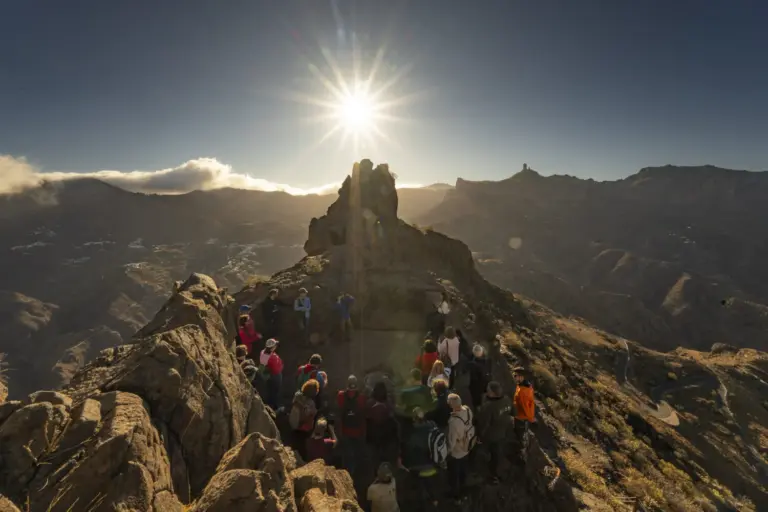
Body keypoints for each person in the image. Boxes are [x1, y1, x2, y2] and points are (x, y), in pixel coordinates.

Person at [402, 407, 442, 510]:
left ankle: (422, 506)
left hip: (418, 467)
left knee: (420, 487)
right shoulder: (433, 426)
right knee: (431, 484)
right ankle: (435, 501)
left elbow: (408, 452)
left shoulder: (412, 433)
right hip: (433, 463)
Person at [476, 381, 513, 484]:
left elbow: (484, 423)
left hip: (491, 435)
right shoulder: (507, 400)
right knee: (497, 452)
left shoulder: (490, 407)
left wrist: (479, 436)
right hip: (502, 432)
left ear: (492, 392)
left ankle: (491, 474)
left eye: (488, 390)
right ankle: (497, 471)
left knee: (490, 453)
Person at [337, 375, 367, 480]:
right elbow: (363, 414)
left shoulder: (341, 395)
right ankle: (358, 477)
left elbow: (339, 413)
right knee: (358, 454)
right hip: (358, 431)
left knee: (347, 456)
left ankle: (347, 477)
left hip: (345, 431)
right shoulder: (362, 397)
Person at [446, 394, 474, 504]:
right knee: (463, 472)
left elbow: (452, 441)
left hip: (457, 452)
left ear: (451, 405)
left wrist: (447, 452)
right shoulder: (467, 410)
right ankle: (464, 493)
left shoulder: (453, 421)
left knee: (454, 475)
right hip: (467, 446)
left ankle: (456, 496)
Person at [367, 381, 400, 472]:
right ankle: (387, 474)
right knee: (386, 459)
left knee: (375, 458)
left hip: (373, 435)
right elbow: (393, 417)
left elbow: (367, 418)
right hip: (387, 435)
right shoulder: (388, 403)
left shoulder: (370, 403)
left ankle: (376, 474)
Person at [289, 379, 320, 460]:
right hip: (302, 428)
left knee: (295, 445)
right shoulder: (310, 403)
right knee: (302, 448)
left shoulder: (297, 396)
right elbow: (308, 414)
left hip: (293, 424)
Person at [259, 338, 284, 410]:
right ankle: (273, 407)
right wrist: (267, 376)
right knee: (274, 391)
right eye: (275, 345)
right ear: (272, 347)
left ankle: (273, 405)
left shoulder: (266, 352)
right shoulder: (265, 356)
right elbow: (261, 369)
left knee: (274, 391)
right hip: (274, 376)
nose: (276, 346)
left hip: (275, 375)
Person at [513, 367, 536, 440]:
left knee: (519, 438)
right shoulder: (524, 386)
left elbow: (525, 406)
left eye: (515, 376)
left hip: (521, 418)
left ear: (521, 377)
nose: (514, 377)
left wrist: (530, 418)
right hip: (521, 417)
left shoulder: (523, 391)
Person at [467, 344, 491, 412]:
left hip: (476, 386)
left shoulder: (472, 365)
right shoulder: (488, 361)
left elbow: (473, 378)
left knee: (477, 400)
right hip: (486, 383)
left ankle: (478, 410)